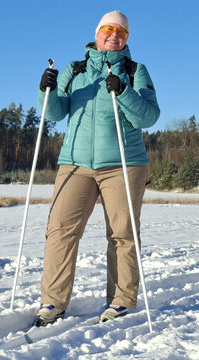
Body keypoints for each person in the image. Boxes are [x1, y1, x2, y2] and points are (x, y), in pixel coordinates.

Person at [34, 10, 160, 326]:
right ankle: (52, 302)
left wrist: (124, 91)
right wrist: (44, 89)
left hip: (124, 163)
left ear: (126, 39)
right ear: (98, 33)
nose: (115, 35)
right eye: (109, 29)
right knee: (60, 231)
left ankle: (120, 301)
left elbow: (147, 117)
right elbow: (53, 113)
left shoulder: (135, 70)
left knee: (122, 234)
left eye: (122, 32)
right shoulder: (74, 70)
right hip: (75, 163)